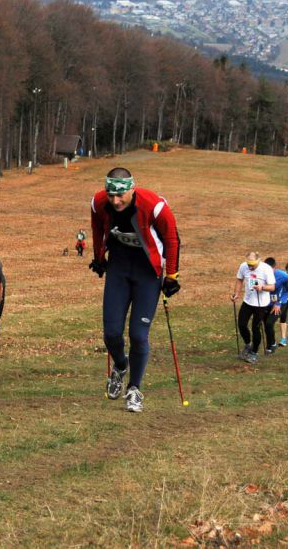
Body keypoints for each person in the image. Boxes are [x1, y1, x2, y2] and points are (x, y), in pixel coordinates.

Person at [89, 167, 180, 412]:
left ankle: (134, 389)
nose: (115, 201)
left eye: (120, 196)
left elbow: (172, 239)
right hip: (119, 268)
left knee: (138, 335)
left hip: (147, 273)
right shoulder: (99, 203)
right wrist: (99, 257)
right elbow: (98, 229)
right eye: (111, 196)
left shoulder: (155, 206)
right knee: (111, 333)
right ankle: (120, 365)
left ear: (132, 189)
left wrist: (171, 275)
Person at [232, 252, 276, 364]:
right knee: (241, 324)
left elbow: (272, 287)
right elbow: (239, 279)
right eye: (248, 264)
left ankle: (254, 352)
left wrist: (262, 287)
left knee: (255, 328)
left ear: (258, 261)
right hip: (248, 301)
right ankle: (248, 344)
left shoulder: (266, 269)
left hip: (261, 304)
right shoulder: (243, 266)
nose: (250, 267)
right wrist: (236, 293)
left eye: (252, 264)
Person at [264, 257, 288, 352]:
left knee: (269, 323)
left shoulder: (283, 276)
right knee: (266, 325)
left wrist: (279, 303)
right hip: (266, 303)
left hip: (280, 303)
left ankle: (272, 344)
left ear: (274, 267)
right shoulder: (262, 275)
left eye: (269, 269)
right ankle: (270, 345)